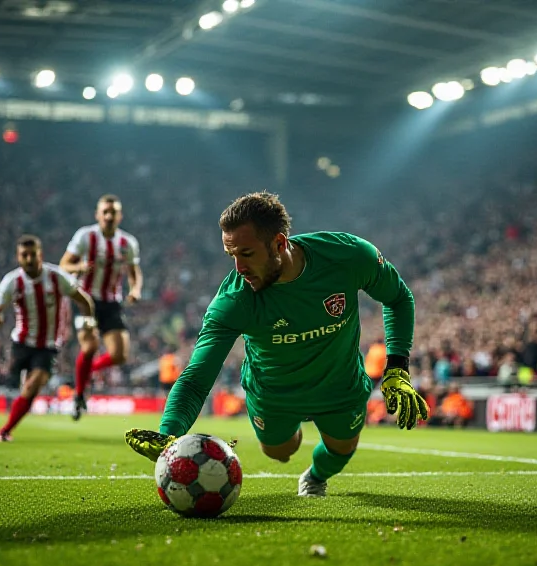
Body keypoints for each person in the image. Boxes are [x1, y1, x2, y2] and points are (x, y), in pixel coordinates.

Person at [124, 192, 428, 496]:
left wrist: (397, 368)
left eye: (247, 253)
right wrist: (168, 435)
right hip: (273, 394)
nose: (238, 267)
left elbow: (399, 298)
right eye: (232, 255)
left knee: (341, 450)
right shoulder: (233, 301)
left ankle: (315, 476)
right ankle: (288, 432)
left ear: (279, 243)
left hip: (340, 386)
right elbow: (196, 379)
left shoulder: (348, 257)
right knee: (279, 451)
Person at [0, 235, 95, 442]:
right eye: (24, 255)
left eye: (32, 254)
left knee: (32, 386)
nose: (28, 259)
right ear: (18, 257)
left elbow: (85, 301)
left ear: (40, 255)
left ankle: (5, 430)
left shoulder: (56, 276)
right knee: (16, 386)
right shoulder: (12, 281)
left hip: (47, 346)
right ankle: (14, 401)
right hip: (20, 344)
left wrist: (88, 323)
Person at [60, 195, 142, 420]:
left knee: (120, 355)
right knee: (89, 346)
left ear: (119, 216)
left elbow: (134, 273)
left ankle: (82, 376)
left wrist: (135, 290)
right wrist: (79, 267)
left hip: (111, 303)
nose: (108, 216)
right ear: (97, 214)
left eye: (112, 212)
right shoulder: (85, 236)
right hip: (85, 300)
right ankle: (78, 394)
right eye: (104, 212)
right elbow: (63, 265)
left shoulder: (128, 243)